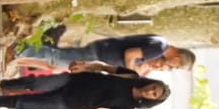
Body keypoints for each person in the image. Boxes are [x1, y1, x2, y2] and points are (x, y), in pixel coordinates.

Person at [0, 69, 170, 109]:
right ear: (151, 82)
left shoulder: (128, 108)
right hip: (75, 81)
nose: (150, 91)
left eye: (154, 95)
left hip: (71, 102)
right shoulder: (131, 76)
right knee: (35, 83)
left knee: (29, 103)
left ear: (151, 100)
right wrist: (85, 66)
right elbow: (104, 67)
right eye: (154, 88)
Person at [13, 34, 191, 74]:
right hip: (101, 52)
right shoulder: (159, 48)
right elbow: (130, 54)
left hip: (102, 52)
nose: (172, 67)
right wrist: (128, 75)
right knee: (55, 57)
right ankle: (18, 49)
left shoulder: (160, 44)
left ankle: (19, 50)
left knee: (57, 57)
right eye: (177, 66)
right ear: (178, 59)